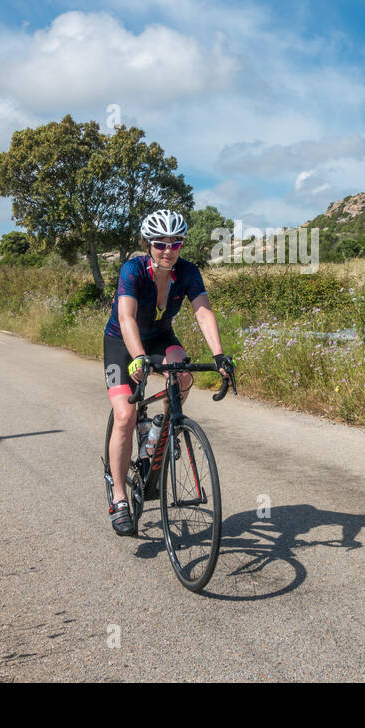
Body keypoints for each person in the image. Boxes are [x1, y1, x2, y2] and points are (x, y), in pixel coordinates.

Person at [102, 209, 234, 535]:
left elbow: (203, 312)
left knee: (184, 373)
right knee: (124, 416)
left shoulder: (187, 272)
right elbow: (127, 317)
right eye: (160, 244)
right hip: (122, 341)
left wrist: (219, 356)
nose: (168, 251)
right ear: (149, 244)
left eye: (175, 244)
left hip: (161, 337)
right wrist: (138, 358)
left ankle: (162, 423)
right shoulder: (133, 270)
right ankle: (119, 498)